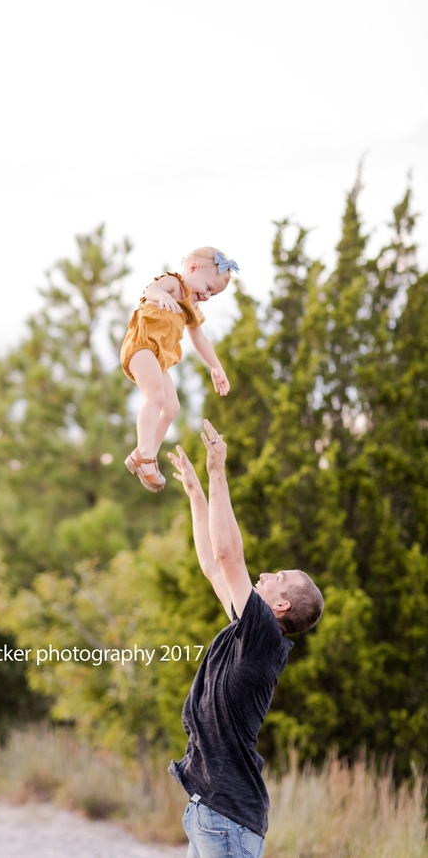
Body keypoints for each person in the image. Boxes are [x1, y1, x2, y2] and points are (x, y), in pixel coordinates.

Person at [167, 420, 324, 858]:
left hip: (228, 820)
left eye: (280, 578)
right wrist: (198, 497)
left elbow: (228, 555)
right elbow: (214, 568)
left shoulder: (264, 641)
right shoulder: (248, 634)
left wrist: (219, 472)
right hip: (210, 813)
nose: (269, 573)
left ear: (281, 607)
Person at [121, 247, 238, 492]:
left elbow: (200, 339)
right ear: (193, 268)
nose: (206, 296)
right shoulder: (173, 284)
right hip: (141, 347)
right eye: (207, 288)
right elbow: (151, 291)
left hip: (157, 358)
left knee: (172, 407)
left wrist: (215, 366)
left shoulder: (192, 310)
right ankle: (146, 455)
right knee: (156, 398)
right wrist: (161, 297)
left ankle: (137, 456)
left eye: (213, 295)